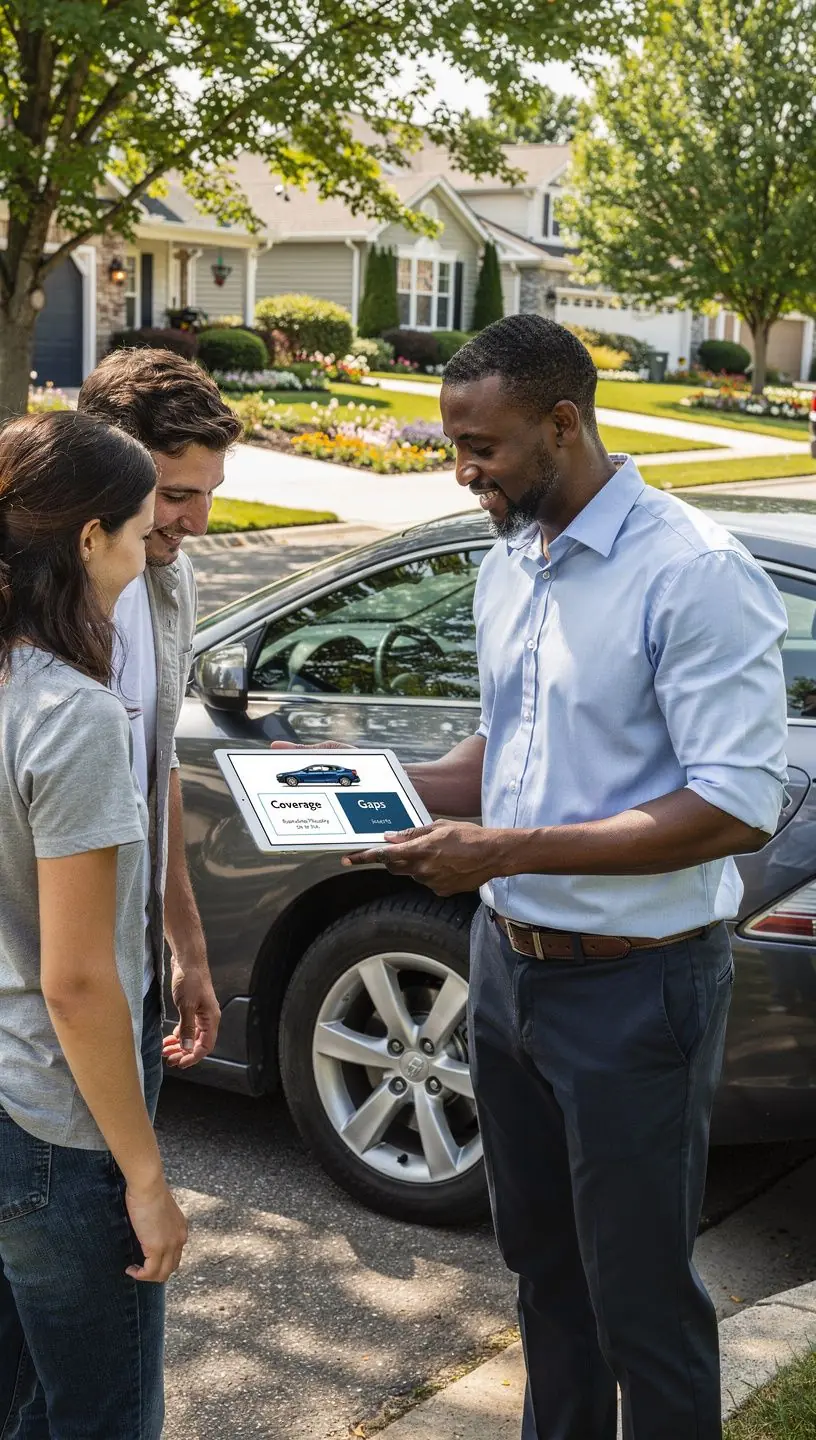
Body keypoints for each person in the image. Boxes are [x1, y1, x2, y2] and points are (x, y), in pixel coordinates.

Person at [345, 316, 789, 1440]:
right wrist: (376, 789)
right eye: (454, 446)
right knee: (543, 1274)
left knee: (641, 1299)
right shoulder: (512, 558)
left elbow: (735, 806)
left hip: (639, 988)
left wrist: (505, 849)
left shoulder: (695, 573)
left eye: (481, 447)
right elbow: (507, 750)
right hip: (505, 970)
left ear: (561, 424)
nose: (463, 471)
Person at [0, 411, 188, 1439]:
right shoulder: (68, 714)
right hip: (53, 1131)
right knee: (102, 1418)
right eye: (142, 528)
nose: (151, 547)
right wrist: (145, 1177)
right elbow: (76, 984)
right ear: (88, 538)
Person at [77, 347, 242, 1078]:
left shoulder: (171, 580)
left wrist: (187, 952)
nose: (198, 522)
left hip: (133, 976)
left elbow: (157, 761)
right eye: (176, 495)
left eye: (210, 493)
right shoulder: (24, 599)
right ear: (103, 472)